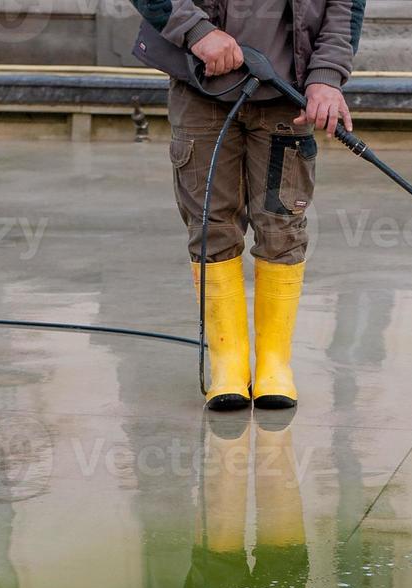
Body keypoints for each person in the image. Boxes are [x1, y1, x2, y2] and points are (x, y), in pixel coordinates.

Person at [131, 0, 364, 410]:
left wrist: (327, 75)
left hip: (285, 92)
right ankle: (229, 364)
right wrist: (196, 31)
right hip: (199, 85)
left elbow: (345, 5)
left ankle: (275, 363)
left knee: (282, 226)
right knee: (211, 225)